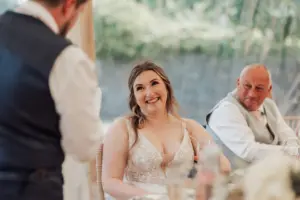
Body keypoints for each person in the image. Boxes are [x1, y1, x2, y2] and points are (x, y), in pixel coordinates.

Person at [0, 0, 103, 200]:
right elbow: (84, 147)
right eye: (79, 13)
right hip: (30, 190)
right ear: (68, 5)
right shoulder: (65, 58)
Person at [102, 61, 230, 200]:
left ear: (167, 88)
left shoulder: (190, 127)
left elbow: (224, 167)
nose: (149, 93)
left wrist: (204, 164)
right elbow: (110, 182)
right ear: (135, 98)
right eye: (140, 88)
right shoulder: (122, 128)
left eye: (154, 83)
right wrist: (150, 197)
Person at [206, 64, 300, 170]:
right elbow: (249, 151)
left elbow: (288, 136)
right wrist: (292, 153)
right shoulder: (226, 110)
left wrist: (295, 150)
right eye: (247, 86)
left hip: (269, 175)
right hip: (233, 180)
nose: (252, 94)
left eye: (259, 88)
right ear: (238, 83)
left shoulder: (269, 105)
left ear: (269, 90)